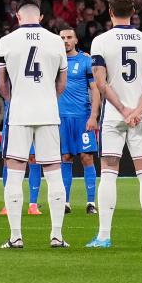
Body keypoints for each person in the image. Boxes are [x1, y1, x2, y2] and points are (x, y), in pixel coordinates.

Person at [88, 0, 142, 248]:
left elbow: (100, 82)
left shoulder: (100, 41)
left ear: (109, 12)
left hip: (113, 114)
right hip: (139, 116)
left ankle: (104, 236)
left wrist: (122, 109)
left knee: (108, 174)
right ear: (134, 12)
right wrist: (137, 111)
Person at [0, 0, 69, 250]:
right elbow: (62, 83)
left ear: (17, 16)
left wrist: (13, 101)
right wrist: (47, 99)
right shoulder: (56, 41)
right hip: (48, 112)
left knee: (15, 172)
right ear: (41, 17)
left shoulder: (6, 41)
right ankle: (56, 236)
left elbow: (1, 82)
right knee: (53, 172)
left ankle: (16, 237)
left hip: (20, 113)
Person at [56, 23, 98, 221]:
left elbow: (95, 89)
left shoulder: (85, 61)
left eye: (68, 37)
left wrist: (93, 116)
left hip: (82, 116)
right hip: (60, 117)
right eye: (62, 38)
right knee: (65, 158)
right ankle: (65, 202)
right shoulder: (54, 61)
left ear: (75, 40)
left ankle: (91, 202)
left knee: (86, 158)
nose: (65, 41)